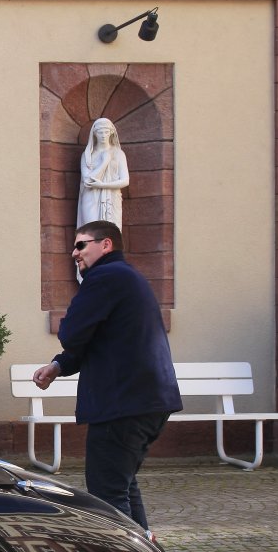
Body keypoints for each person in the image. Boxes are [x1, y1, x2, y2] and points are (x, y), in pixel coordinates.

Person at [32, 220, 181, 530]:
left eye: (81, 245)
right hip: (145, 401)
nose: (74, 253)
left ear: (106, 244)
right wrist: (58, 366)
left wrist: (74, 311)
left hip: (123, 404)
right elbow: (100, 339)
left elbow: (71, 333)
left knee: (107, 494)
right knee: (122, 485)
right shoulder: (124, 276)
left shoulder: (105, 277)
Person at [76, 117, 130, 229]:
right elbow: (88, 180)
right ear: (95, 134)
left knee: (111, 232)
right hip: (91, 197)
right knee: (91, 230)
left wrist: (103, 185)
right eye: (100, 132)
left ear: (111, 133)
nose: (103, 135)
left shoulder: (119, 154)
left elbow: (125, 180)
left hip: (112, 197)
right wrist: (104, 162)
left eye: (106, 132)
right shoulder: (87, 155)